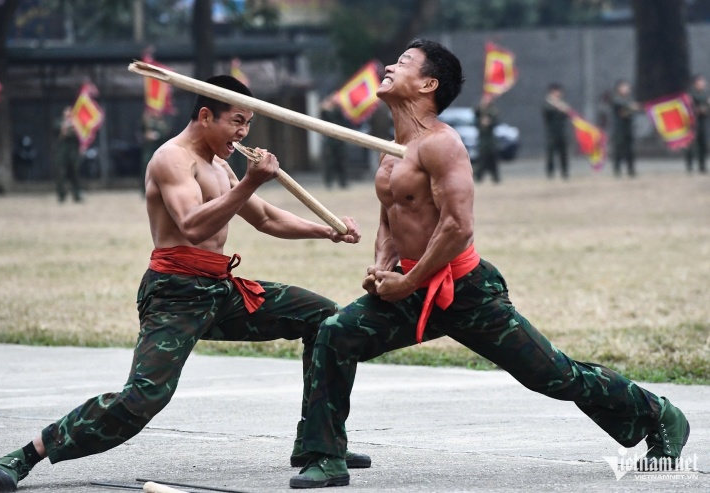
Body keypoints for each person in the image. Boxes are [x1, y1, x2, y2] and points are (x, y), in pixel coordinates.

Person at [289, 39, 690, 489]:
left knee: (552, 376)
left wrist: (409, 281)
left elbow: (457, 228)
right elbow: (390, 218)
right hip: (411, 286)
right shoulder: (392, 147)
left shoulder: (442, 145)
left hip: (464, 290)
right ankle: (325, 453)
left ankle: (659, 413)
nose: (387, 66)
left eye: (402, 63)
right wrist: (384, 266)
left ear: (427, 83)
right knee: (336, 333)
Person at [0, 75, 365, 492]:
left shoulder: (221, 165)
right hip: (175, 294)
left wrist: (326, 230)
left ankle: (319, 444)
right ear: (204, 115)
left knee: (325, 318)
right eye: (237, 121)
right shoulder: (171, 159)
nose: (243, 133)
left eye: (249, 123)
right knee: (143, 398)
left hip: (221, 290)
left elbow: (266, 218)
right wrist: (253, 181)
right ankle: (24, 456)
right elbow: (193, 225)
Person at [53, 106, 83, 202]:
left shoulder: (78, 123)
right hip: (61, 152)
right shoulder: (58, 122)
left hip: (73, 152)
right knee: (61, 173)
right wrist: (67, 125)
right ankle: (61, 195)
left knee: (75, 173)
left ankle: (77, 194)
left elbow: (81, 136)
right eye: (67, 111)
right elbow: (59, 132)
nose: (69, 113)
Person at [611, 80, 640, 177]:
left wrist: (633, 108)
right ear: (618, 89)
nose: (626, 89)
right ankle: (617, 170)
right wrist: (632, 108)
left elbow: (635, 109)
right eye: (624, 87)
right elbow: (622, 112)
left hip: (629, 129)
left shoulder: (630, 100)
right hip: (619, 130)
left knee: (630, 151)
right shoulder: (616, 100)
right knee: (618, 151)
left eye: (627, 87)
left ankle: (631, 170)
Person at [320, 95, 349, 189]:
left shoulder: (339, 111)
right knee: (329, 163)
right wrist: (325, 110)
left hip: (339, 141)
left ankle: (343, 182)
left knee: (341, 162)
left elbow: (340, 123)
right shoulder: (324, 112)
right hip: (329, 141)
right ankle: (329, 182)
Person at [542, 83, 571, 179]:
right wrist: (556, 105)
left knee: (563, 153)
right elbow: (547, 112)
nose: (557, 94)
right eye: (554, 92)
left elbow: (567, 113)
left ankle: (565, 172)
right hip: (552, 132)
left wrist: (562, 107)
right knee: (550, 154)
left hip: (561, 132)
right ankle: (550, 172)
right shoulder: (547, 104)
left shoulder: (562, 104)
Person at [140, 109, 171, 195]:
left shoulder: (163, 123)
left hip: (160, 150)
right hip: (149, 150)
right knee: (146, 169)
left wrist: (158, 135)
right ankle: (144, 190)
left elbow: (166, 133)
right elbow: (141, 131)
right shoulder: (147, 121)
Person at [474, 92, 500, 183]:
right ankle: (478, 176)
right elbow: (475, 116)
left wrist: (489, 122)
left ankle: (495, 177)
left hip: (490, 138)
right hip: (482, 138)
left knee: (492, 158)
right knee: (482, 158)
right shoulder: (480, 109)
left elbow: (496, 120)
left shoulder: (492, 109)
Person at [685, 74, 708, 174]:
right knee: (691, 145)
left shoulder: (706, 94)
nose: (702, 84)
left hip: (703, 121)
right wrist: (697, 110)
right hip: (692, 123)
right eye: (700, 82)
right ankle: (689, 166)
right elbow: (687, 107)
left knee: (703, 144)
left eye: (703, 82)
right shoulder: (690, 94)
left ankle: (702, 166)